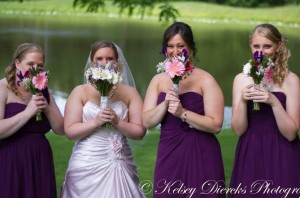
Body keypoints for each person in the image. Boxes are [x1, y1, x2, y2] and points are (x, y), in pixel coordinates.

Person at [143, 22, 225, 198]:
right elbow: (147, 122)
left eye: (181, 45)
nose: (176, 51)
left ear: (191, 48)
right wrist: (165, 104)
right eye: (170, 46)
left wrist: (183, 113)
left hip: (201, 152)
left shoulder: (206, 80)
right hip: (169, 151)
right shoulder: (158, 80)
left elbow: (216, 125)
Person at [61, 41, 146, 198]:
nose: (105, 63)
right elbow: (70, 132)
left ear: (117, 62)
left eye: (110, 58)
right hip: (86, 161)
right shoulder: (80, 92)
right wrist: (95, 121)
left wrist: (118, 122)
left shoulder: (130, 93)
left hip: (119, 161)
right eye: (99, 58)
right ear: (92, 62)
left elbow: (139, 132)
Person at [229, 23, 300, 198]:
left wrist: (274, 102)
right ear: (250, 46)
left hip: (282, 151)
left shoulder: (291, 80)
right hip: (250, 151)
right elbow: (238, 130)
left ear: (278, 47)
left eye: (267, 46)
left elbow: (291, 134)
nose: (261, 51)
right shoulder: (240, 79)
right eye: (256, 46)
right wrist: (243, 101)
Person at [0, 43, 65, 198]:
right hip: (10, 158)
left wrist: (47, 109)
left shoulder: (43, 90)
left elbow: (61, 129)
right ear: (17, 63)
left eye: (39, 66)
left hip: (39, 158)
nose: (35, 69)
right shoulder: (2, 88)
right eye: (30, 64)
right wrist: (28, 112)